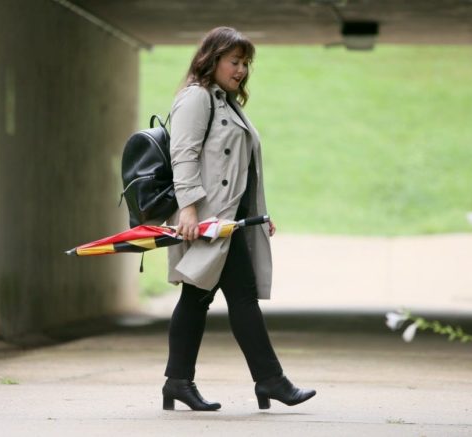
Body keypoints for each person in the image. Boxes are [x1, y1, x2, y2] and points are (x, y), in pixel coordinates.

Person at [161, 27, 316, 411]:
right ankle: (269, 381)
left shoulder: (225, 101)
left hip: (229, 221)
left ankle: (180, 382)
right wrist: (190, 209)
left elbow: (238, 168)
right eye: (235, 61)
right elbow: (183, 155)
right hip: (207, 223)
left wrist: (257, 215)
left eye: (246, 63)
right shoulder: (196, 99)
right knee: (236, 298)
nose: (242, 70)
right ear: (211, 59)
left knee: (199, 298)